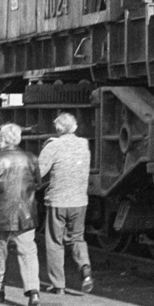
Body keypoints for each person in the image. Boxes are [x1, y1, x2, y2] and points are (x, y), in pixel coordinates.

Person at [0, 123, 42, 306]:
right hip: (26, 214)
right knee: (28, 253)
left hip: (0, 215)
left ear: (2, 139)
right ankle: (33, 292)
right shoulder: (31, 158)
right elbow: (39, 183)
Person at [36, 111, 94, 295]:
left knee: (54, 242)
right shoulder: (84, 144)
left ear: (57, 129)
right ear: (75, 127)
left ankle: (58, 284)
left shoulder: (53, 146)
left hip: (57, 201)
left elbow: (39, 172)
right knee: (77, 238)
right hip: (79, 201)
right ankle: (84, 268)